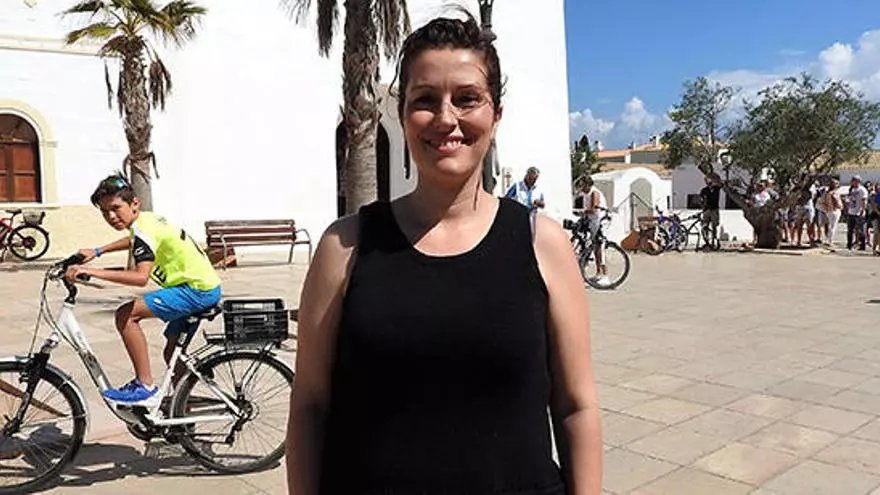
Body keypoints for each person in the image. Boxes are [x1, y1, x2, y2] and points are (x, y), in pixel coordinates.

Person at [286, 14, 602, 495]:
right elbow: (310, 403)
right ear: (403, 114)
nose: (446, 118)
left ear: (496, 115)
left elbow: (576, 405)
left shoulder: (542, 243)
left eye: (467, 98)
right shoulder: (345, 247)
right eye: (425, 100)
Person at [65, 174, 222, 405]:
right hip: (204, 286)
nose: (111, 216)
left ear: (134, 203)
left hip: (195, 290)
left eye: (116, 208)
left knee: (126, 315)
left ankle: (144, 385)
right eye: (105, 212)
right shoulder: (146, 221)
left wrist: (93, 271)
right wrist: (98, 251)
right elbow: (133, 240)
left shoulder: (143, 229)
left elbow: (140, 278)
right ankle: (183, 406)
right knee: (171, 352)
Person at [579, 176, 609, 285]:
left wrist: (582, 211)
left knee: (600, 247)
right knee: (595, 248)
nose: (581, 187)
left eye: (583, 185)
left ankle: (605, 275)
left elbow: (593, 209)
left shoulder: (594, 193)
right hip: (593, 221)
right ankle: (598, 273)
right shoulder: (584, 194)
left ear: (588, 185)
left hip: (601, 220)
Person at [846, 175, 868, 250]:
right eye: (852, 181)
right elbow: (849, 199)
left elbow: (864, 200)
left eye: (854, 181)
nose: (852, 182)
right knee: (850, 229)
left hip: (859, 212)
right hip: (851, 211)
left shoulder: (862, 190)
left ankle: (862, 245)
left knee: (860, 230)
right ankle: (849, 245)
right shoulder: (851, 189)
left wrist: (863, 209)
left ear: (858, 181)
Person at [699, 177, 722, 248]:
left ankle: (714, 241)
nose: (708, 182)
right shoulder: (704, 190)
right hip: (706, 210)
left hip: (714, 209)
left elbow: (721, 184)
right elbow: (701, 199)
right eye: (707, 180)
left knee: (714, 226)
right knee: (705, 226)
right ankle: (706, 242)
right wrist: (703, 207)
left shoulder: (716, 188)